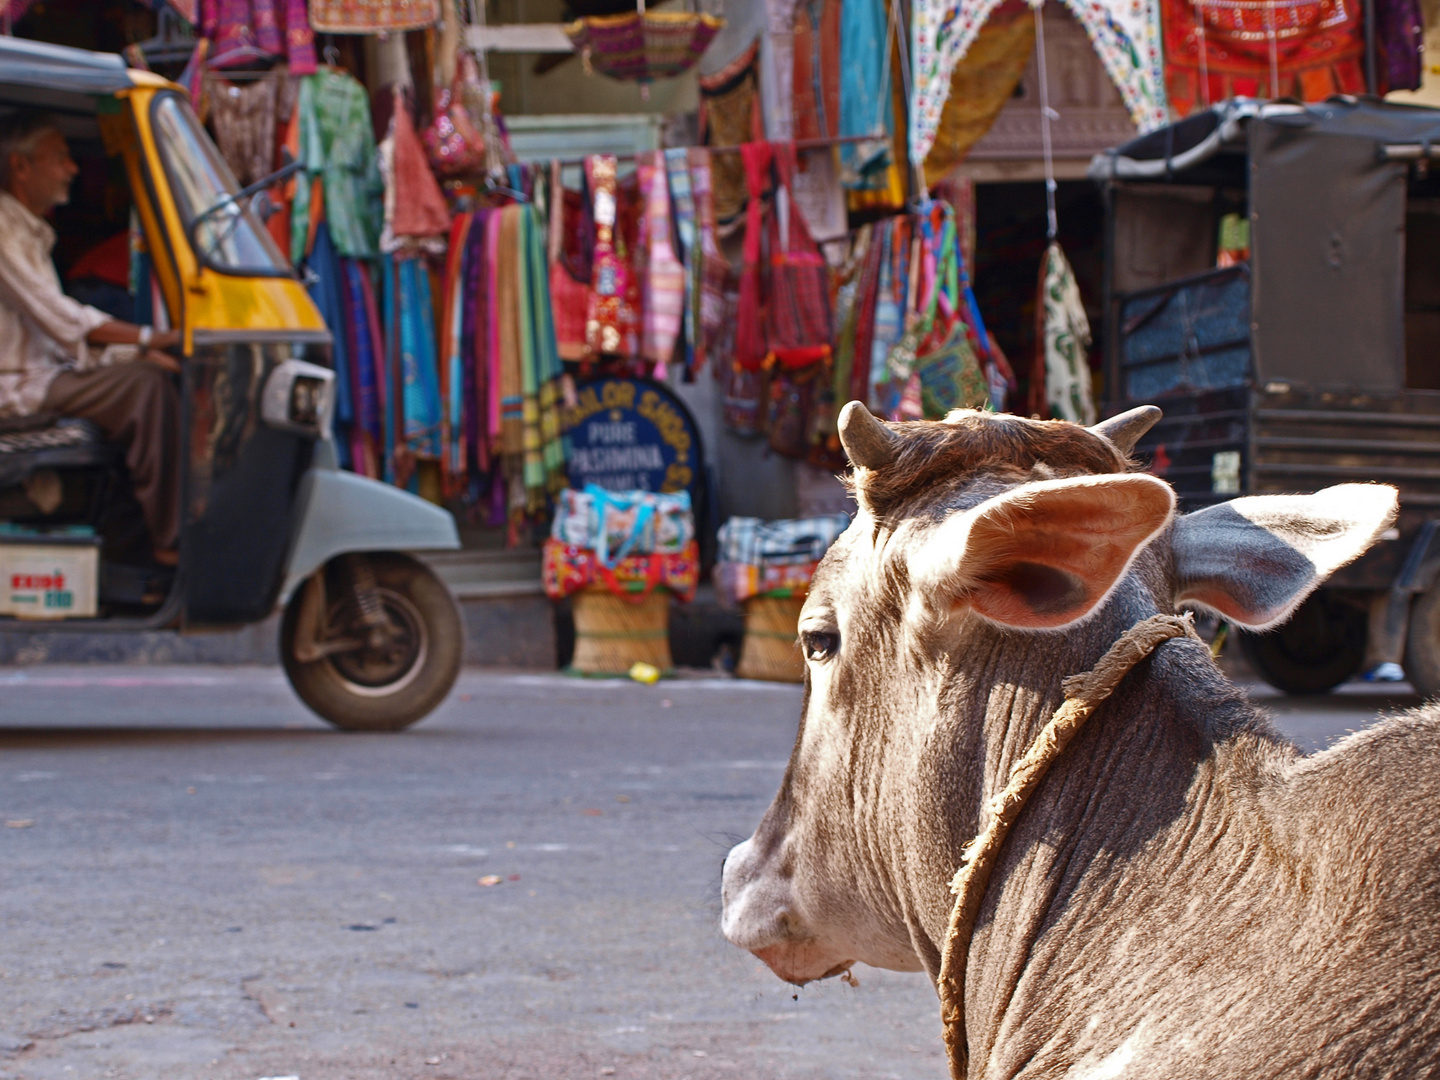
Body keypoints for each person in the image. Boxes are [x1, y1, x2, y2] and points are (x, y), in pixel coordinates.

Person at [0, 111, 181, 565]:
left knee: (147, 376)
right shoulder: (3, 227)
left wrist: (130, 351)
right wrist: (147, 339)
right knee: (146, 387)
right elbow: (60, 320)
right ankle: (171, 544)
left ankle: (129, 551)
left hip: (42, 373)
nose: (73, 169)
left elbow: (60, 338)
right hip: (18, 386)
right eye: (60, 158)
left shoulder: (27, 230)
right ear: (20, 167)